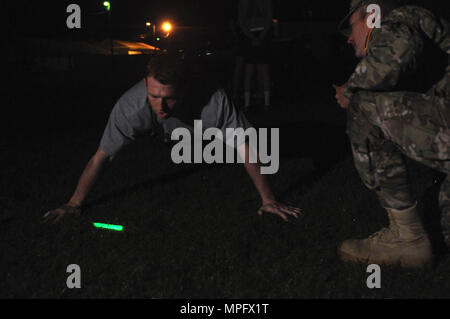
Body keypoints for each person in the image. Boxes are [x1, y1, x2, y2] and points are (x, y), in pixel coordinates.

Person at [43, 54, 301, 224]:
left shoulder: (214, 102)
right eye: (154, 96)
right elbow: (101, 156)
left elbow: (247, 149)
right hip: (162, 135)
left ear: (185, 89)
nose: (161, 105)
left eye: (169, 97)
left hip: (198, 132)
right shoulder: (130, 108)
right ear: (145, 84)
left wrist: (269, 200)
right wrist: (73, 203)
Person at [334, 0, 449, 268]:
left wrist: (349, 90)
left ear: (371, 15)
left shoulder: (400, 18)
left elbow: (398, 50)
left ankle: (406, 237)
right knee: (444, 233)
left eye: (352, 27)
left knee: (363, 106)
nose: (349, 38)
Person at [238, 0, 273, 111]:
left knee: (262, 70)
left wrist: (259, 37)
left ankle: (263, 102)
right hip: (252, 37)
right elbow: (241, 21)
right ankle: (249, 104)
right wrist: (252, 37)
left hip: (259, 37)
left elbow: (269, 18)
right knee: (251, 70)